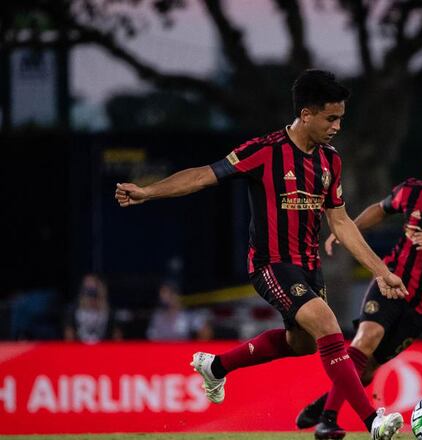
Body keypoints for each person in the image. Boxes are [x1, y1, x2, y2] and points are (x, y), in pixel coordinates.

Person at [115, 69, 406, 440]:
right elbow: (203, 175)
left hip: (309, 269)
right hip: (271, 264)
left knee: (300, 344)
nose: (337, 127)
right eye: (331, 118)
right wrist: (148, 192)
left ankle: (217, 366)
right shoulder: (264, 152)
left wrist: (380, 271)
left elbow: (341, 221)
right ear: (306, 114)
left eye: (341, 119)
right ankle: (373, 422)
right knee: (328, 324)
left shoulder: (330, 161)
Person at [295, 132, 422, 439]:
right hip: (391, 282)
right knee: (366, 337)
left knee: (365, 371)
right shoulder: (411, 192)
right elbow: (382, 208)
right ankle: (328, 420)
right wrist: (347, 229)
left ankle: (326, 402)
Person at [64, 273, 122, 343]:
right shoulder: (73, 309)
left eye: (93, 289)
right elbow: (69, 334)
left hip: (103, 349)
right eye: (88, 289)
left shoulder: (109, 311)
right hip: (80, 349)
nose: (91, 293)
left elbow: (117, 335)